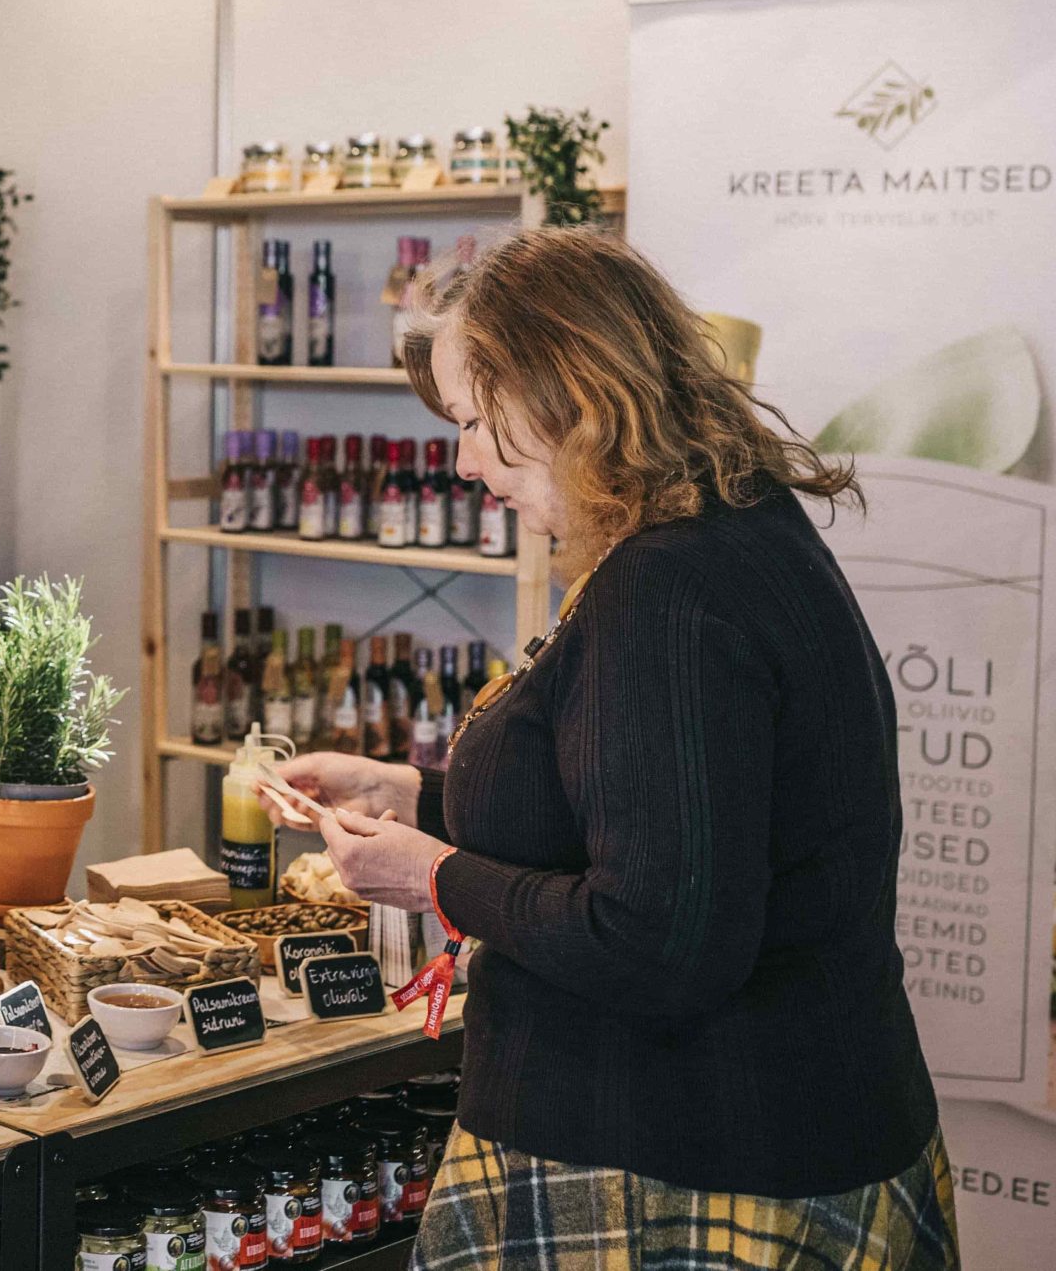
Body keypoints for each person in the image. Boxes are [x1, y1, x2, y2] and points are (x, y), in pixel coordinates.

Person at [281, 228, 956, 1270]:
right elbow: (653, 810)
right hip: (777, 1134)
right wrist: (418, 796)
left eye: (470, 422)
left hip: (682, 1182)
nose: (461, 463)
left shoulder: (667, 591)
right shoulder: (735, 531)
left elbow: (657, 938)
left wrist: (438, 881)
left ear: (567, 392)